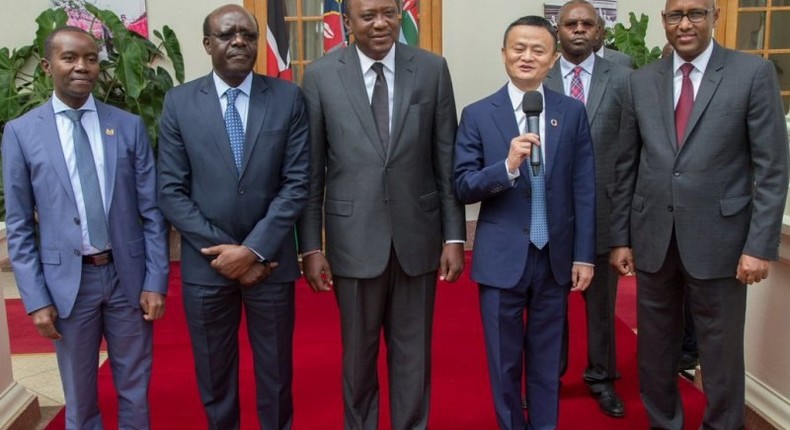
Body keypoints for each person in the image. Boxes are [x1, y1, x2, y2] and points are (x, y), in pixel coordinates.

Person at [609, 0, 789, 428]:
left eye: (695, 13)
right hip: (653, 237)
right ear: (664, 22)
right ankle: (663, 422)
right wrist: (620, 237)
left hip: (722, 242)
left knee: (720, 350)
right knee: (654, 348)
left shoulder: (751, 74)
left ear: (714, 17)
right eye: (676, 15)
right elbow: (624, 166)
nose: (685, 23)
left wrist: (759, 247)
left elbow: (772, 168)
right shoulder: (640, 81)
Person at [297, 0, 466, 427]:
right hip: (352, 240)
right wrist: (310, 247)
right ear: (347, 22)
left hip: (419, 237)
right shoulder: (319, 77)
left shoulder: (431, 69)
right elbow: (312, 169)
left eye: (388, 13)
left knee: (414, 355)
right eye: (367, 16)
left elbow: (445, 159)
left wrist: (454, 237)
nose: (380, 24)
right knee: (358, 357)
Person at [2, 26, 169, 429]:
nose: (82, 66)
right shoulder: (22, 133)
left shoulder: (126, 126)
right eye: (70, 58)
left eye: (91, 59)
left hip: (127, 278)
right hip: (68, 286)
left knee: (135, 389)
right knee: (79, 396)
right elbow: (21, 226)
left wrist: (155, 280)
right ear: (47, 66)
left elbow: (152, 212)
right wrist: (36, 298)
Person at [157, 4, 310, 429]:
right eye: (227, 35)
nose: (239, 41)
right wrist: (226, 255)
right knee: (214, 376)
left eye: (247, 34)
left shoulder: (287, 97)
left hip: (271, 264)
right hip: (208, 269)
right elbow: (170, 191)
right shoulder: (179, 102)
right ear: (208, 44)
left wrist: (252, 251)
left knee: (276, 375)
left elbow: (297, 182)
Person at [454, 16, 596, 430]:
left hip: (554, 257)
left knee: (547, 358)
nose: (526, 56)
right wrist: (507, 166)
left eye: (537, 50)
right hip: (502, 261)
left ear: (552, 59)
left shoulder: (571, 113)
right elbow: (463, 186)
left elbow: (583, 187)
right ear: (503, 55)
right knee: (504, 361)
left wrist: (584, 256)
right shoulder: (479, 114)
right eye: (518, 48)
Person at [543, 0, 631, 418]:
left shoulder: (625, 72)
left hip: (604, 214)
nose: (578, 30)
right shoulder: (538, 72)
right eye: (570, 24)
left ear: (600, 30)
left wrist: (624, 233)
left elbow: (632, 148)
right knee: (550, 306)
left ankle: (602, 378)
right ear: (557, 30)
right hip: (551, 216)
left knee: (601, 309)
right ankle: (548, 378)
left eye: (587, 24)